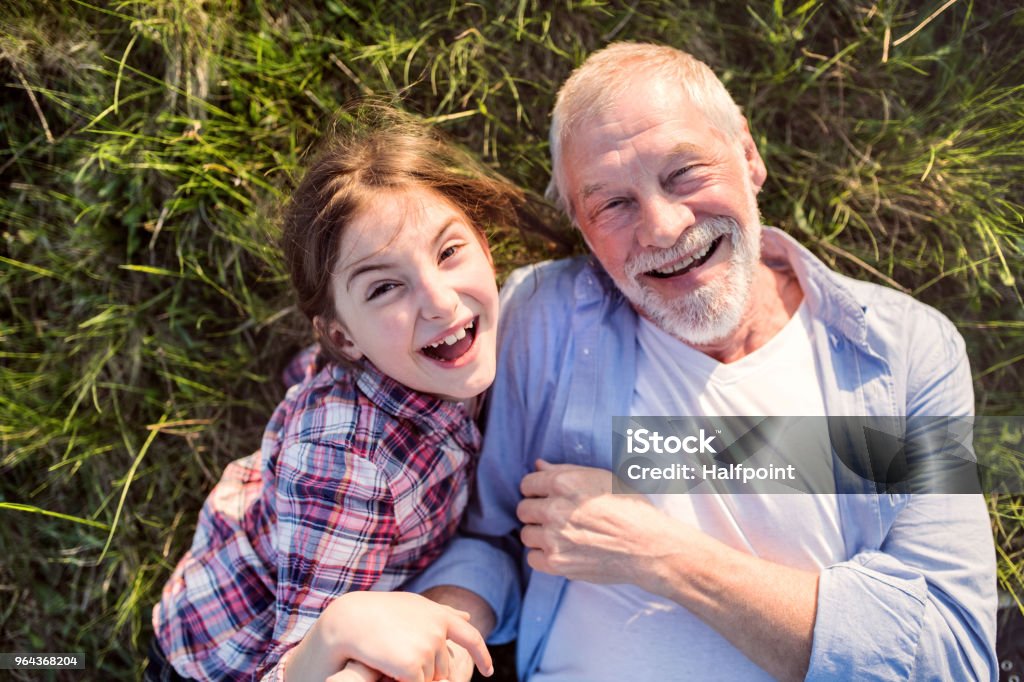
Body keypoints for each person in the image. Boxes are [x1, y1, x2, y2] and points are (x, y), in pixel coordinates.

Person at [411, 42, 998, 680]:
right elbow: (492, 537)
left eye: (683, 173)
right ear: (582, 226)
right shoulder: (543, 316)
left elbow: (953, 655)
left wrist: (661, 556)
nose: (661, 228)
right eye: (613, 205)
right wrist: (438, 636)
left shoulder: (902, 352)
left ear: (748, 155)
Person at [149, 102, 523, 681]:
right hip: (222, 658)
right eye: (385, 288)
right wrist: (339, 630)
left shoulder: (437, 354)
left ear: (484, 242)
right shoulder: (348, 466)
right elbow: (295, 666)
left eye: (449, 252)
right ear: (344, 339)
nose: (441, 301)